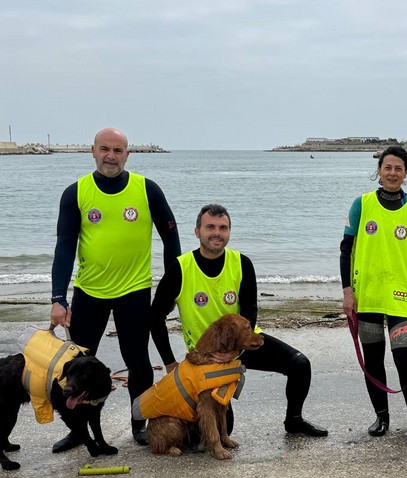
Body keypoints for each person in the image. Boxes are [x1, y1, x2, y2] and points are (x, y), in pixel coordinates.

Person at [50, 127, 181, 449]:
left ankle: (139, 422)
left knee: (138, 362)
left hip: (134, 292)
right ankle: (78, 430)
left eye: (117, 150)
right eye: (104, 149)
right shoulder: (75, 192)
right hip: (89, 293)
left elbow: (171, 238)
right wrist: (58, 298)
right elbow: (65, 247)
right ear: (93, 151)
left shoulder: (147, 190)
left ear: (127, 154)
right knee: (77, 367)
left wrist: (172, 284)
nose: (111, 156)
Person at [150, 204, 328, 437]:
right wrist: (170, 362)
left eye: (223, 228)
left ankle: (294, 421)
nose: (217, 233)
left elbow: (250, 311)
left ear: (229, 232)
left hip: (242, 344)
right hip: (206, 356)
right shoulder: (180, 269)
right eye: (210, 227)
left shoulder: (242, 263)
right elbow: (155, 318)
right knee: (226, 429)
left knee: (300, 364)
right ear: (197, 232)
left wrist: (235, 352)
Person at [340, 146, 407, 445]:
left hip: (401, 299)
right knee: (373, 360)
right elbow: (346, 249)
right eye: (388, 167)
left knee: (406, 360)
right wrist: (347, 292)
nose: (392, 173)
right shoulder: (362, 204)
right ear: (379, 170)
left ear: (406, 173)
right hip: (366, 297)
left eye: (398, 168)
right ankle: (382, 416)